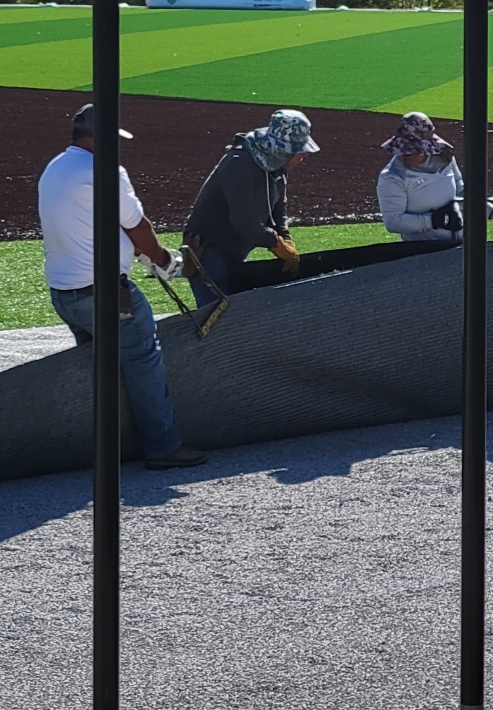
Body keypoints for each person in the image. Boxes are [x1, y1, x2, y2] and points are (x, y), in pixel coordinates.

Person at [38, 104, 205, 470]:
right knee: (143, 360)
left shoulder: (56, 168)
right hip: (106, 293)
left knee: (97, 370)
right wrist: (164, 261)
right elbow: (138, 227)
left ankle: (106, 446)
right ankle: (163, 447)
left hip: (64, 293)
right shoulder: (105, 171)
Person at [182, 109, 318, 306]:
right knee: (217, 318)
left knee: (235, 313)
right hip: (208, 252)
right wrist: (276, 244)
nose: (304, 156)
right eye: (300, 151)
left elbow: (278, 209)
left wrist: (287, 240)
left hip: (234, 250)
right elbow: (244, 221)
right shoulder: (239, 163)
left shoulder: (277, 164)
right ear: (284, 150)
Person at [377, 112, 463, 242]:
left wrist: (491, 213)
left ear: (427, 148)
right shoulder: (392, 177)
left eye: (411, 150)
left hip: (462, 243)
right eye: (402, 149)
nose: (404, 153)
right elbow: (393, 222)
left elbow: (461, 190)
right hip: (424, 251)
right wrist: (433, 221)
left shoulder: (445, 159)